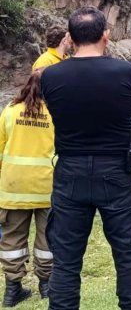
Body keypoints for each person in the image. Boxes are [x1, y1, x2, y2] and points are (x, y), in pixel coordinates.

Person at [41, 6, 131, 309]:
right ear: (105, 35)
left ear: (70, 38)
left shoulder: (51, 75)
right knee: (128, 256)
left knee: (65, 261)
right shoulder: (124, 71)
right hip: (117, 171)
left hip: (70, 173)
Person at [0, 70, 54, 307]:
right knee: (48, 239)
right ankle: (46, 286)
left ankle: (12, 291)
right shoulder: (54, 113)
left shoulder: (10, 111)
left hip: (13, 188)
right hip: (46, 186)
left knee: (12, 240)